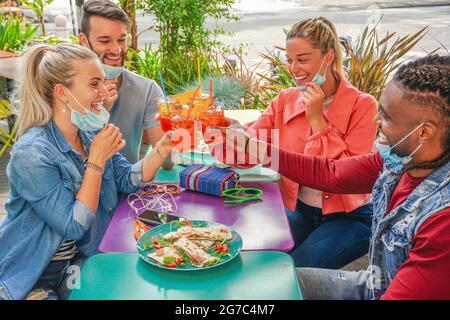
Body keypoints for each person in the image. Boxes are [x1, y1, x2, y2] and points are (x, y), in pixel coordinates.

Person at [217, 54, 450, 299]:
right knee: (270, 283)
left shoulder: (442, 219)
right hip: (374, 283)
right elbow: (331, 173)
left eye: (387, 117)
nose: (376, 120)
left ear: (423, 132)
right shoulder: (398, 162)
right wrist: (253, 146)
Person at [0, 43, 174, 300]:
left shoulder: (91, 133)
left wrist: (163, 147)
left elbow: (127, 179)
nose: (104, 92)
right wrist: (96, 160)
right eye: (94, 84)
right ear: (62, 93)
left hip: (81, 261)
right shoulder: (33, 153)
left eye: (104, 82)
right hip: (34, 275)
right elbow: (73, 226)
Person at [217, 17, 378, 268]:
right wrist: (224, 132)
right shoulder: (284, 100)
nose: (293, 69)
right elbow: (248, 152)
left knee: (294, 270)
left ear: (329, 57)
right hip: (299, 210)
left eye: (302, 59)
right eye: (289, 60)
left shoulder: (363, 105)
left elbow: (346, 176)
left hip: (349, 218)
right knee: (252, 256)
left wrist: (317, 120)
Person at [78, 0, 171, 166]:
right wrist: (99, 110)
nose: (116, 50)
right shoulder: (65, 91)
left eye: (121, 40)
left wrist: (178, 125)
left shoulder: (146, 90)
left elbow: (167, 161)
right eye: (105, 41)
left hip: (129, 189)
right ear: (83, 41)